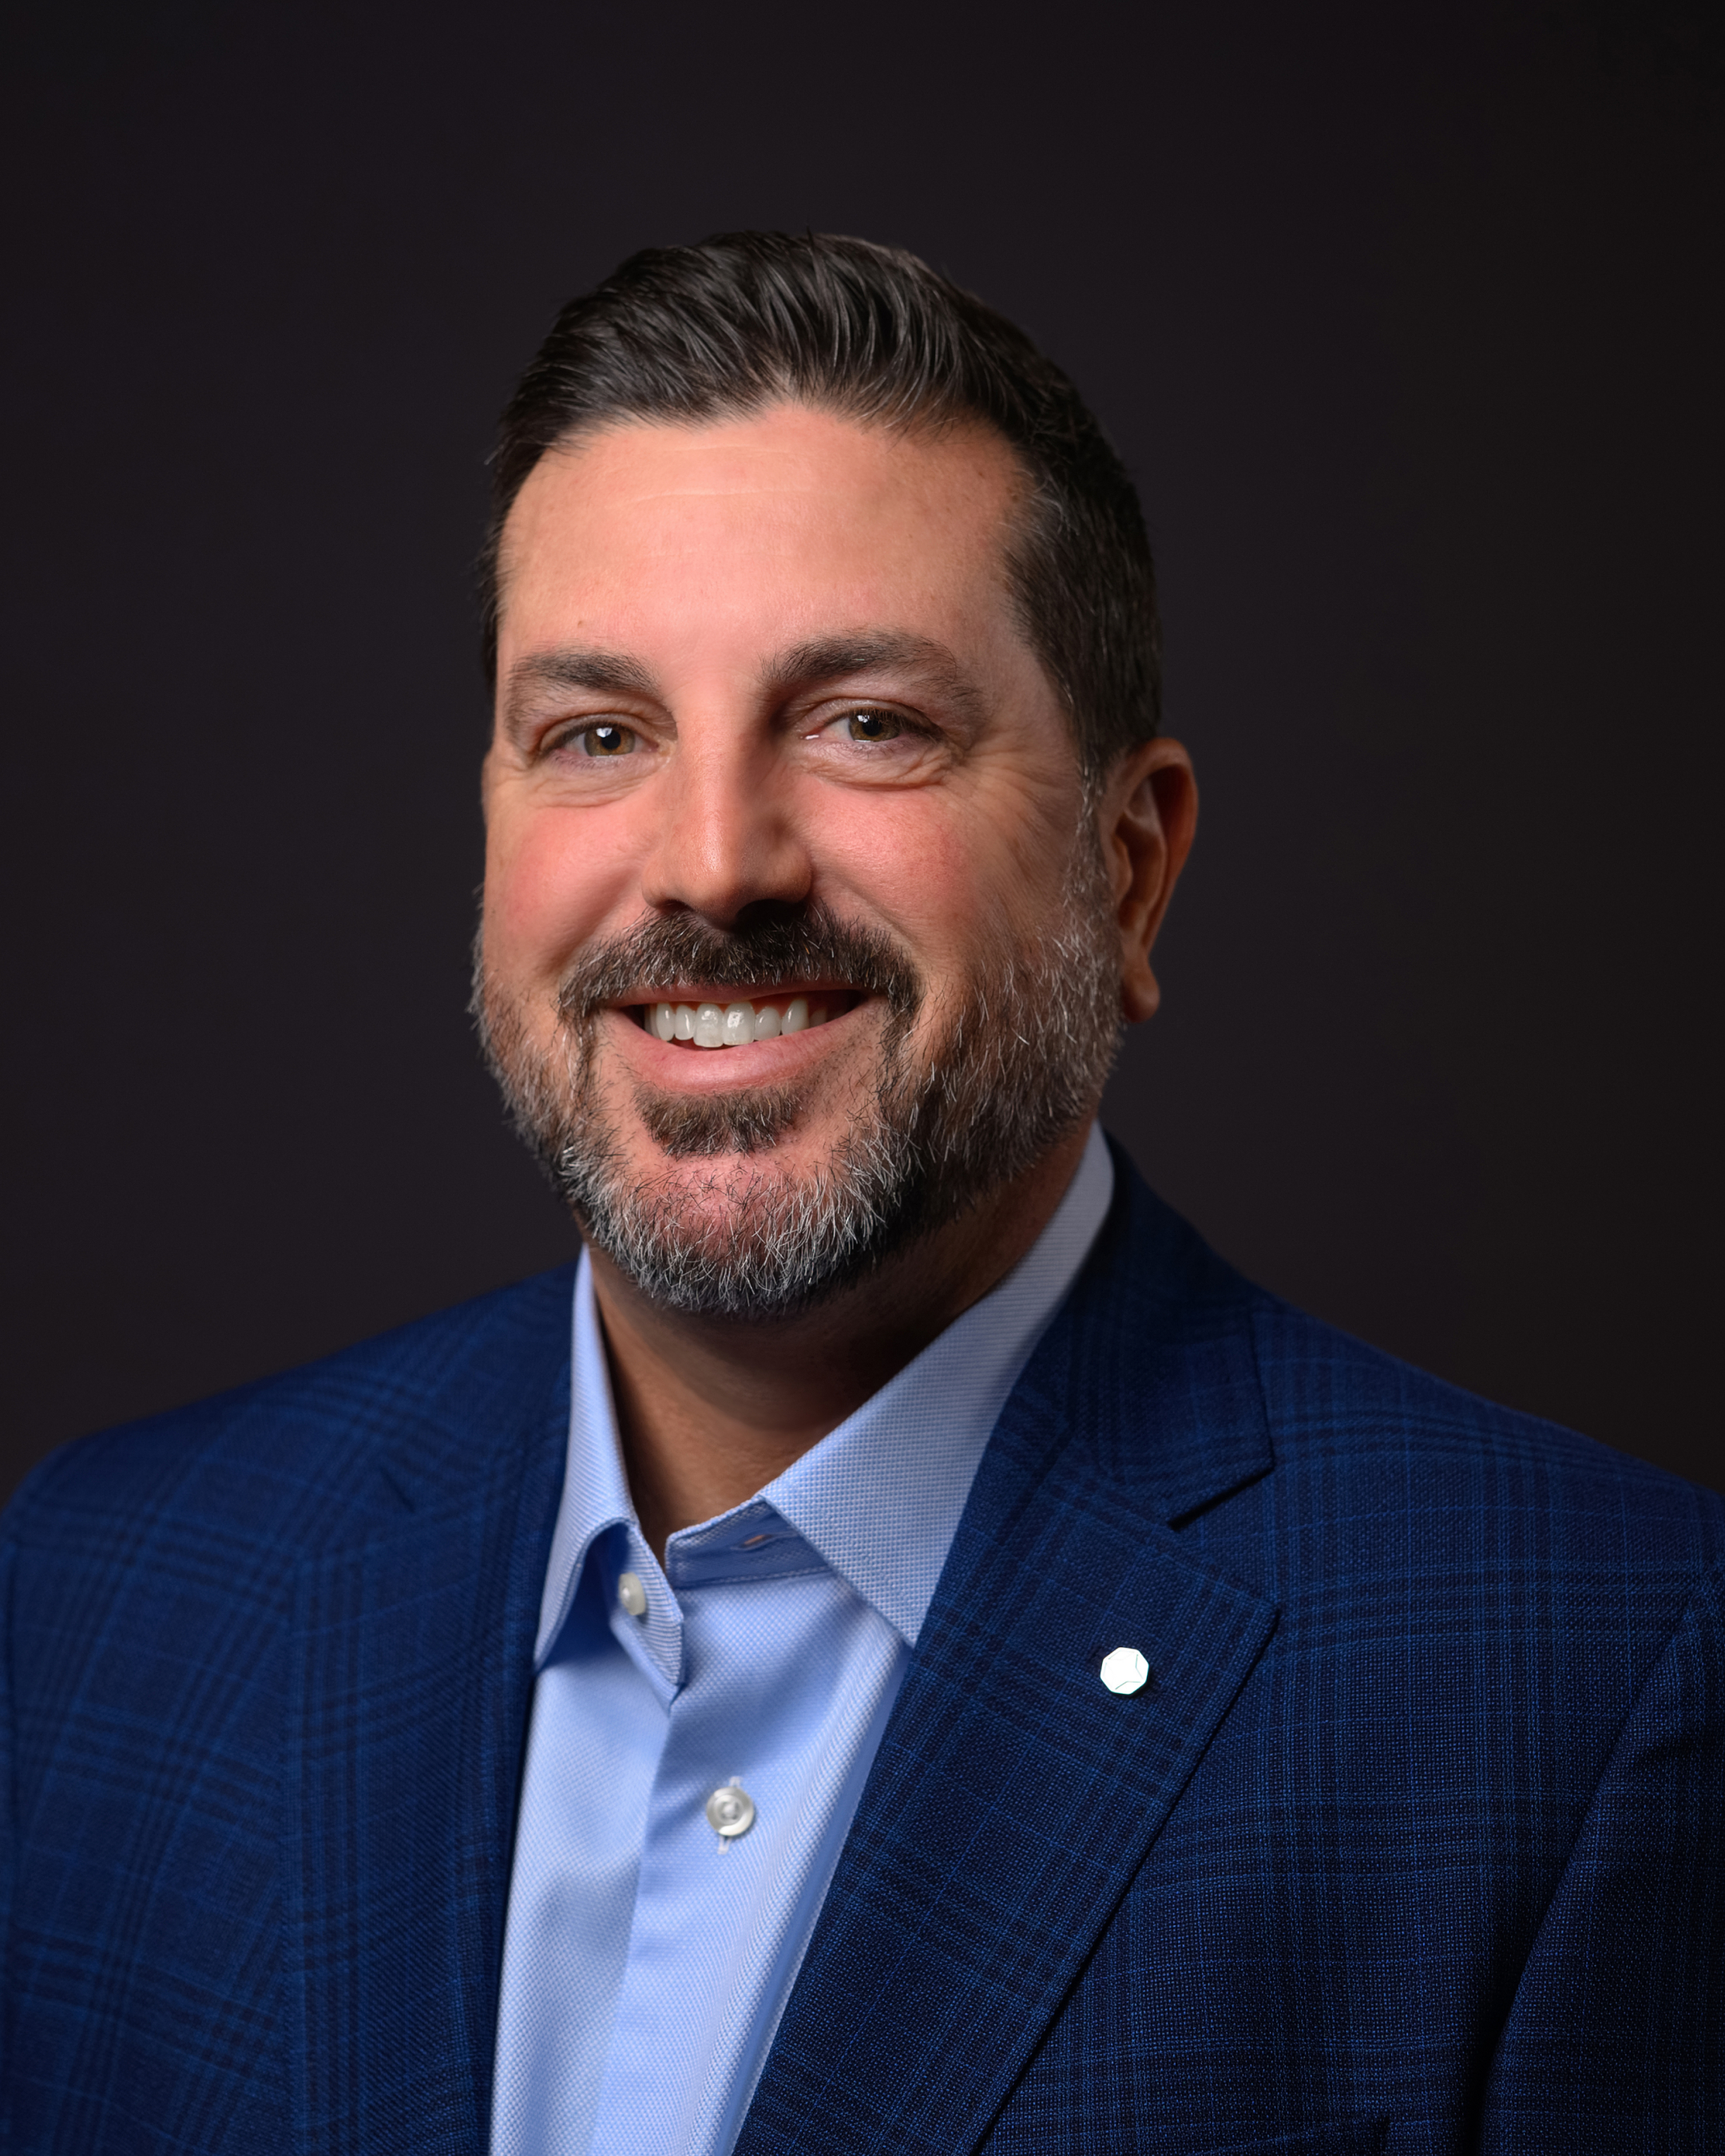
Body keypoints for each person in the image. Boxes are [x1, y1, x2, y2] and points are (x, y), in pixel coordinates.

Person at [2, 232, 1719, 2156]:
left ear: (1130, 871)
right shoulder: (100, 1602)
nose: (713, 863)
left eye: (867, 724)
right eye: (597, 735)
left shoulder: (1587, 1692)